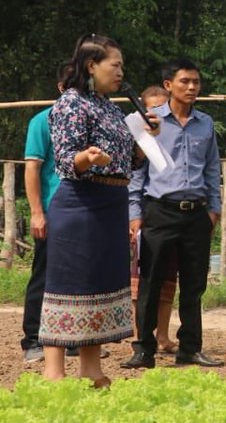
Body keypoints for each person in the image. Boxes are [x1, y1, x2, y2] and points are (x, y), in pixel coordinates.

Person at [41, 34, 157, 385]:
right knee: (69, 284)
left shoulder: (109, 106)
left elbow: (128, 164)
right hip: (80, 205)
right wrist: (86, 158)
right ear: (92, 65)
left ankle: (91, 370)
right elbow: (65, 160)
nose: (121, 72)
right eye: (115, 65)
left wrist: (144, 142)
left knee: (97, 286)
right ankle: (54, 373)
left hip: (111, 205)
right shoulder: (71, 104)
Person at [122, 58, 222, 370]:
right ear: (168, 85)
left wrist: (214, 211)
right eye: (185, 82)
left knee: (194, 284)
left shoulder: (205, 123)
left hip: (196, 214)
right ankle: (144, 349)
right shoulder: (150, 121)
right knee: (151, 283)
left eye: (196, 82)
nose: (192, 87)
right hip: (160, 212)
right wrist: (135, 214)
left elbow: (212, 169)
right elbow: (138, 172)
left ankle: (190, 348)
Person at [19, 65, 66, 364]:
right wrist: (37, 212)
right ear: (62, 87)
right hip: (53, 211)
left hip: (82, 215)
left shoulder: (92, 121)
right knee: (45, 275)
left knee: (76, 278)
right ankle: (34, 338)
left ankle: (71, 338)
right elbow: (33, 168)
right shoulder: (43, 121)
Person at [128, 86, 178, 353]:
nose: (158, 112)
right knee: (143, 281)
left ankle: (163, 336)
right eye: (153, 107)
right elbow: (135, 180)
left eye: (163, 107)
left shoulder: (173, 133)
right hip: (149, 215)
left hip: (174, 216)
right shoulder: (140, 138)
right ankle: (141, 335)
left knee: (169, 278)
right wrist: (135, 216)